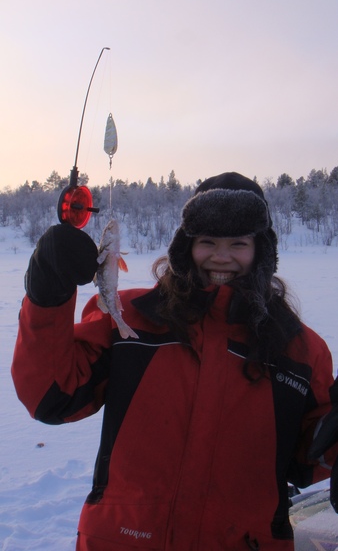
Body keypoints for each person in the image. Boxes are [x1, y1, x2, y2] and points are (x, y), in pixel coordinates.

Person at [11, 172, 338, 551]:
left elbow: (310, 457)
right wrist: (47, 292)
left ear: (261, 249)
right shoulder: (128, 319)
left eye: (238, 243)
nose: (221, 256)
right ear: (186, 245)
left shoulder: (300, 351)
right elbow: (50, 395)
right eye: (208, 241)